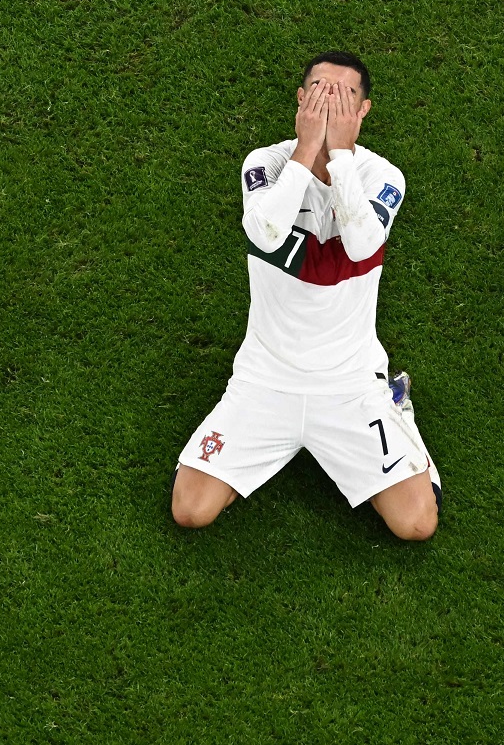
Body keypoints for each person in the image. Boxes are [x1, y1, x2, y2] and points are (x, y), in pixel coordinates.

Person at [170, 51, 440, 540]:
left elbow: (361, 244)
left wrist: (339, 157)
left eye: (345, 96)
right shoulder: (266, 163)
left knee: (416, 523)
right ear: (300, 100)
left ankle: (395, 407)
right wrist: (307, 150)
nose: (330, 103)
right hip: (264, 379)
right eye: (319, 91)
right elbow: (266, 232)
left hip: (351, 384)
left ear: (363, 111)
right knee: (190, 510)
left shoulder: (383, 176)